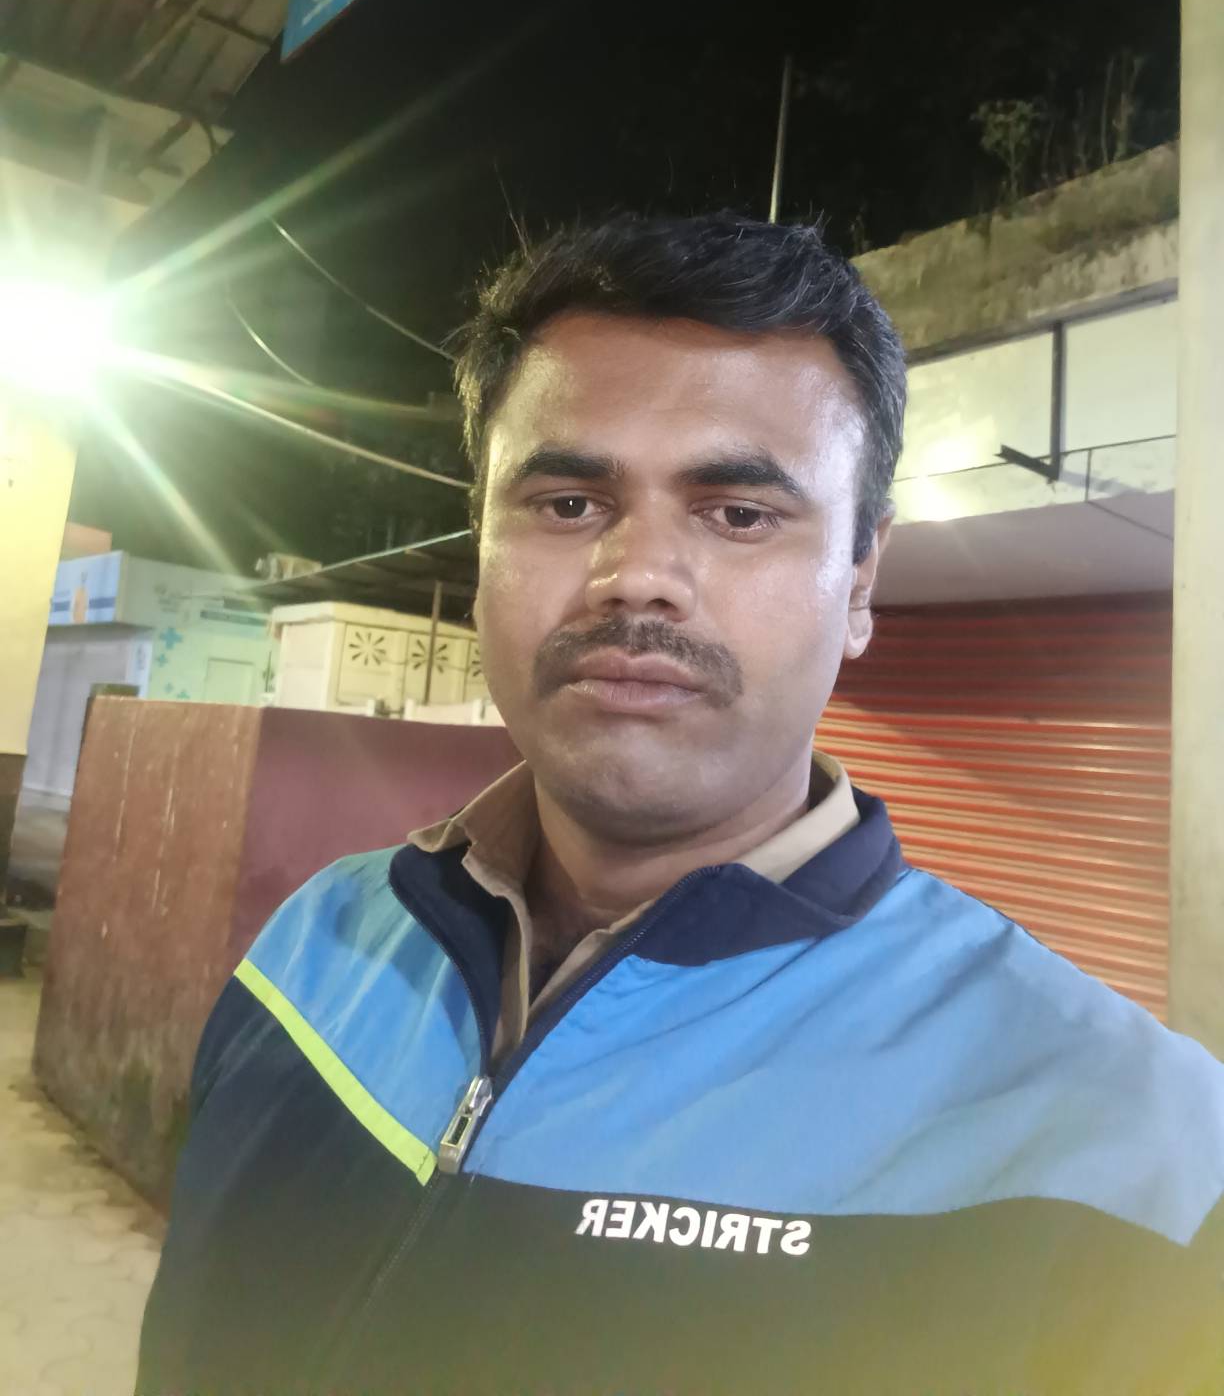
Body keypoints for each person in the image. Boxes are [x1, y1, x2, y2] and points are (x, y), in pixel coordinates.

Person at [139, 215, 1224, 1396]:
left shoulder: (1137, 1151)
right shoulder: (311, 951)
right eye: (567, 503)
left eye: (740, 514)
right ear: (482, 547)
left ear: (860, 582)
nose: (636, 577)